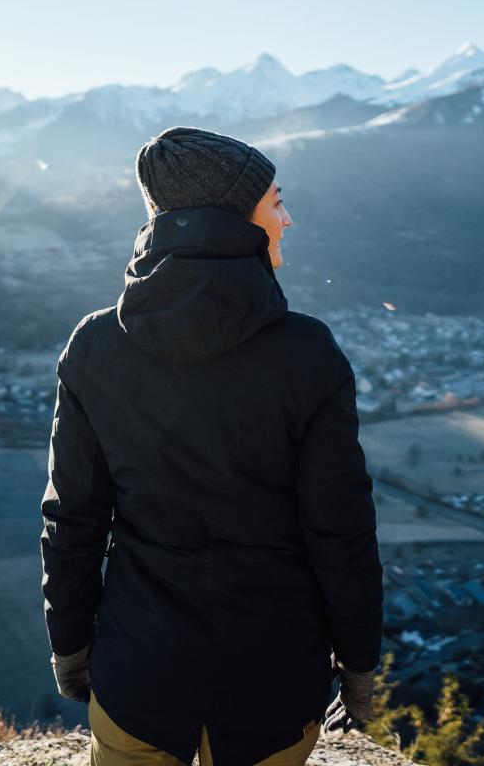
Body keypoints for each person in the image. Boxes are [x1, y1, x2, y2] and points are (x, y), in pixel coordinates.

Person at [40, 125, 384, 766]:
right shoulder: (306, 354)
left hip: (139, 669)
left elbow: (73, 518)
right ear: (235, 216)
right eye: (276, 200)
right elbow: (340, 528)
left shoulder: (95, 347)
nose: (288, 217)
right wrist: (360, 660)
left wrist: (70, 643)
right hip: (273, 678)